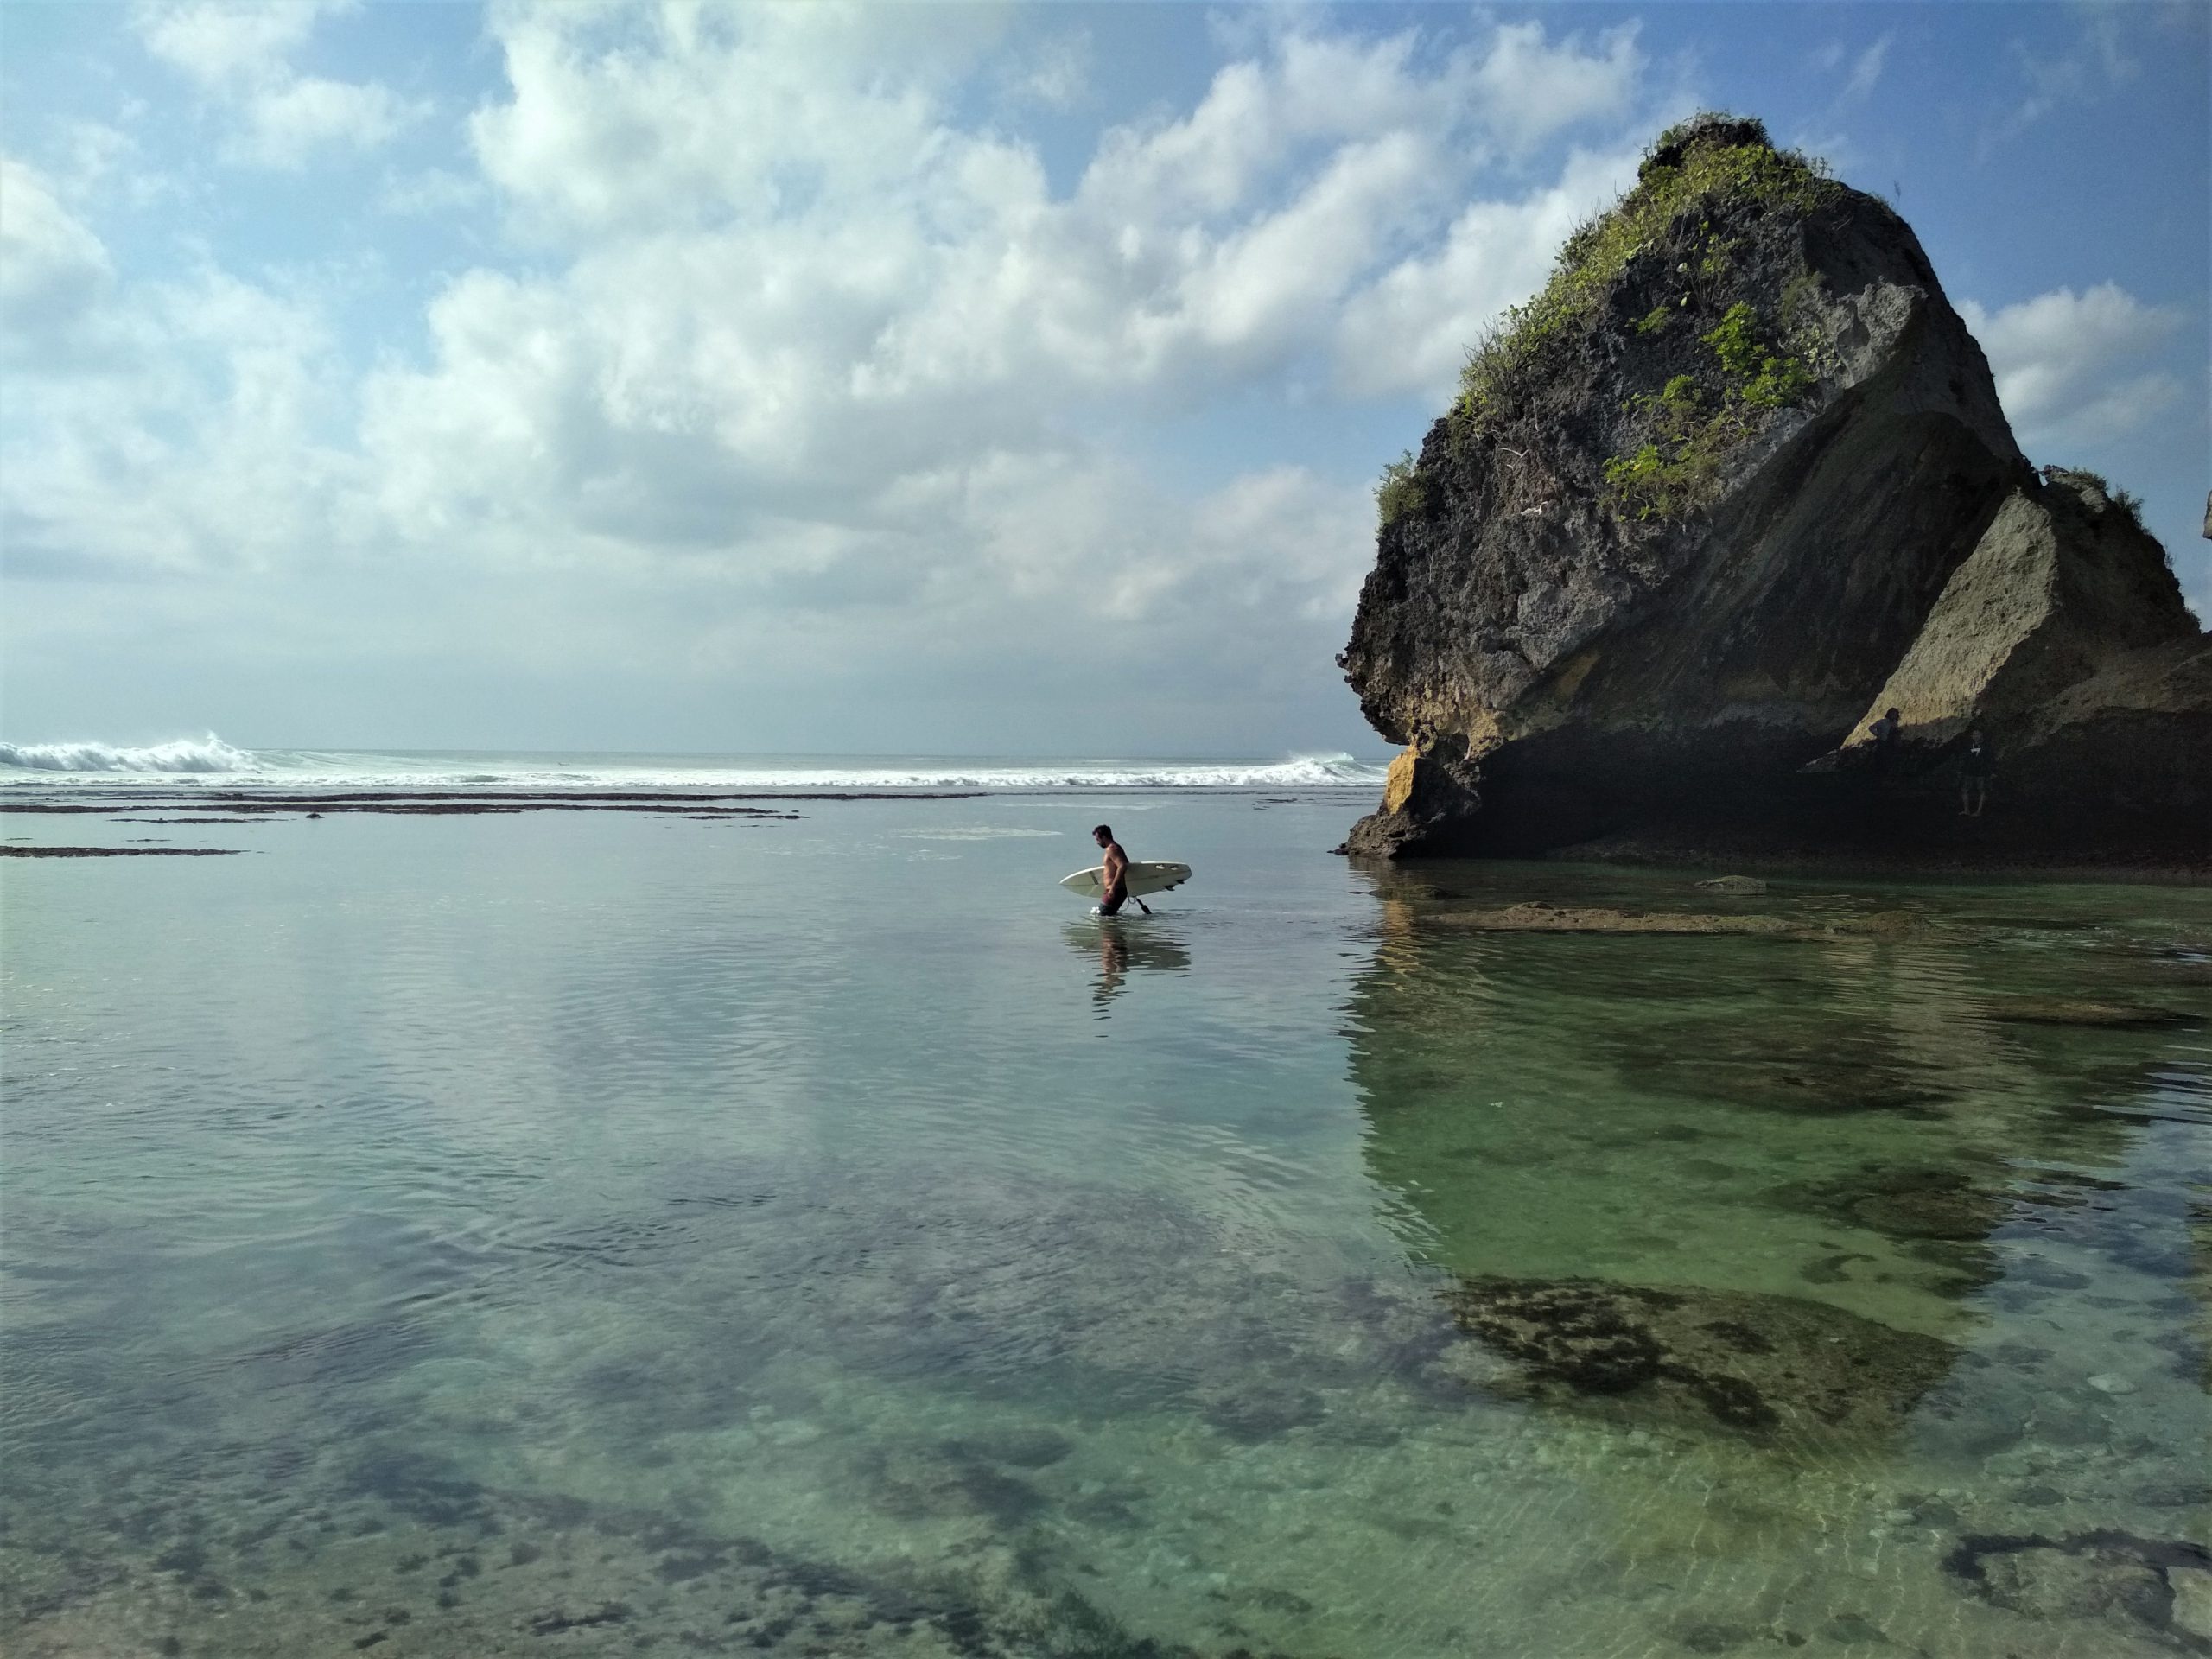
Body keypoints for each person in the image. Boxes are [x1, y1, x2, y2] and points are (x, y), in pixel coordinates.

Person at [1092, 823, 1128, 916]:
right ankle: (1116, 930)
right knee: (1108, 918)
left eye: (1098, 839)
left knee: (1103, 918)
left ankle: (1112, 931)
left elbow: (1123, 866)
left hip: (1114, 890)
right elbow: (1126, 863)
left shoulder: (1112, 849)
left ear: (1103, 837)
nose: (1097, 842)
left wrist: (1112, 887)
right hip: (1117, 890)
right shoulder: (1116, 848)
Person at [1959, 724, 1995, 817]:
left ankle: (1979, 811)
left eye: (1977, 734)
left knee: (1982, 790)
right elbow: (1965, 758)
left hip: (1982, 772)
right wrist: (1962, 769)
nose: (1975, 736)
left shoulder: (1987, 746)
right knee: (1965, 790)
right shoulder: (1969, 746)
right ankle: (1966, 810)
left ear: (1981, 735)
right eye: (1974, 735)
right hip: (1969, 771)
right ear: (1971, 736)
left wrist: (1992, 772)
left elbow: (1991, 759)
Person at [1867, 707, 1902, 779]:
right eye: (1893, 714)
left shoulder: (1895, 723)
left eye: (1896, 714)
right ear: (1889, 714)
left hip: (1892, 743)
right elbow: (1871, 728)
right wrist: (1878, 734)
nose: (1894, 716)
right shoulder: (1882, 722)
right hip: (1883, 742)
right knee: (1883, 759)